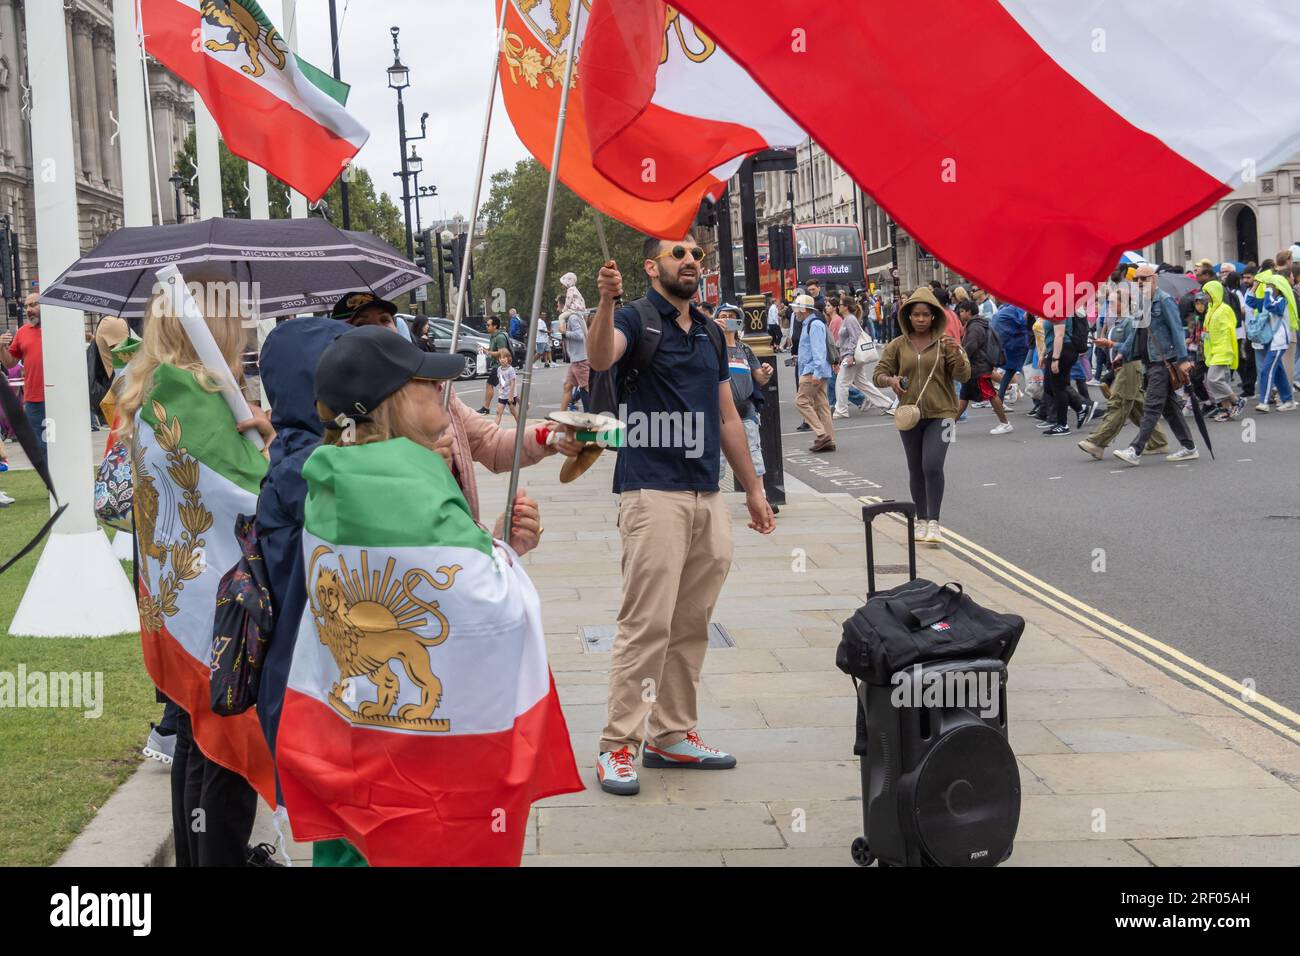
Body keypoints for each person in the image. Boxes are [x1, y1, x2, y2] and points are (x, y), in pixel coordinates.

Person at [586, 234, 775, 797]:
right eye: (678, 254)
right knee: (647, 625)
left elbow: (728, 417)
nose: (691, 261)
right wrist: (603, 301)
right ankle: (619, 745)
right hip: (651, 492)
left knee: (691, 625)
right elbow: (599, 359)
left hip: (706, 494)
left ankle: (672, 734)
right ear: (652, 267)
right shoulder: (635, 318)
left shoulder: (713, 332)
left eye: (696, 254)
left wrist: (754, 490)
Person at [117, 272, 276, 867]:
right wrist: (276, 448)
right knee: (223, 758)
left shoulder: (152, 389)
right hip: (217, 611)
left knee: (193, 742)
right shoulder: (194, 398)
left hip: (174, 603)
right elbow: (261, 496)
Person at [874, 287, 970, 545]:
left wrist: (958, 353)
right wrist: (890, 379)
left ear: (934, 317)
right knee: (915, 468)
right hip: (909, 415)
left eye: (925, 315)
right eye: (915, 315)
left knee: (932, 465)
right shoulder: (897, 345)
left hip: (944, 414)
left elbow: (963, 376)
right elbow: (878, 374)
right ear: (907, 317)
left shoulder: (945, 344)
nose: (920, 319)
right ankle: (921, 520)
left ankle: (935, 523)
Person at [1111, 264, 1200, 465]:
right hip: (1149, 362)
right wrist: (1122, 353)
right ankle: (1189, 447)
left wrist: (1183, 359)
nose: (1141, 282)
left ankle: (1135, 450)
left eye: (1145, 278)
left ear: (1154, 280)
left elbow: (1177, 330)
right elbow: (1136, 332)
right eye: (1138, 279)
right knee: (1169, 408)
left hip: (1163, 361)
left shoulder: (1165, 300)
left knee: (1152, 406)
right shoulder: (1142, 304)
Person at [1078, 312, 1170, 459]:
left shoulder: (1128, 321)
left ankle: (1097, 443)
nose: (1110, 306)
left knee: (1119, 403)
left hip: (1130, 365)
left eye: (1114, 302)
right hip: (1123, 364)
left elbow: (1133, 345)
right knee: (1136, 407)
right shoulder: (1117, 321)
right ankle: (1158, 441)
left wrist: (1113, 346)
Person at [717, 304, 773, 504]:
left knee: (753, 451)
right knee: (717, 456)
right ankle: (711, 500)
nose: (727, 319)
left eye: (731, 316)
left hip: (745, 406)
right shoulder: (711, 346)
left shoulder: (745, 349)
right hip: (719, 410)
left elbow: (760, 378)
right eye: (723, 316)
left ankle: (761, 497)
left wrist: (765, 372)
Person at [956, 299, 1013, 434]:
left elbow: (970, 347)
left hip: (978, 368)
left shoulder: (975, 327)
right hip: (976, 367)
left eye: (962, 311)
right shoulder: (977, 324)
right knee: (964, 397)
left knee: (991, 395)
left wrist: (959, 357)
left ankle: (1005, 423)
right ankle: (948, 425)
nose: (960, 314)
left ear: (969, 312)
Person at [0, 292, 46, 456]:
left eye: (33, 305)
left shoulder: (56, 329)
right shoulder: (22, 332)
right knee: (39, 448)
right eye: (26, 306)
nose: (28, 310)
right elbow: (10, 362)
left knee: (56, 444)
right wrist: (1, 348)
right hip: (33, 401)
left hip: (56, 397)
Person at [833, 297, 895, 418]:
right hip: (852, 356)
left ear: (846, 307)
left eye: (840, 304)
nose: (838, 306)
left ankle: (841, 410)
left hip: (851, 356)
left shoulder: (850, 319)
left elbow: (854, 337)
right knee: (862, 383)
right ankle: (887, 404)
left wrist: (850, 355)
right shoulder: (849, 319)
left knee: (841, 383)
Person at [1041, 306, 1096, 436]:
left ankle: (1063, 424)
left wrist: (1055, 359)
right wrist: (1044, 353)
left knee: (1058, 388)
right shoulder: (1053, 307)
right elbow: (1050, 335)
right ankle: (1081, 407)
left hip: (1064, 350)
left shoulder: (1060, 308)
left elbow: (1059, 335)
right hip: (1056, 350)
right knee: (1050, 386)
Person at [795, 293, 836, 451]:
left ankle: (822, 435)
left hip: (812, 370)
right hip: (816, 369)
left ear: (803, 309)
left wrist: (816, 374)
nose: (795, 312)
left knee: (801, 401)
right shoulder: (811, 323)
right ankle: (830, 439)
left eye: (797, 309)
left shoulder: (814, 324)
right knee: (822, 405)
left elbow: (818, 351)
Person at [1200, 280, 1245, 421]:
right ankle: (1226, 409)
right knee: (1211, 380)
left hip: (1222, 350)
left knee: (1213, 379)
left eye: (1207, 293)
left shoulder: (1224, 309)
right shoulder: (1211, 309)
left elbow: (1227, 331)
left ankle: (1237, 400)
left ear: (1214, 293)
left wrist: (1226, 350)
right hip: (1213, 350)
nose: (1205, 296)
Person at [476, 316, 511, 414]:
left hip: (499, 366)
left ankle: (486, 408)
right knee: (507, 388)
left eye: (488, 325)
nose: (486, 326)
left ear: (495, 326)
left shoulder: (499, 337)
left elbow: (502, 353)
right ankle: (523, 404)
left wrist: (487, 352)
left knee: (489, 384)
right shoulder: (493, 336)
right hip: (499, 366)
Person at [493, 348, 519, 425]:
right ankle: (494, 429)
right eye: (500, 358)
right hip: (502, 395)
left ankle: (520, 426)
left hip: (510, 395)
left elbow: (513, 383)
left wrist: (510, 396)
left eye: (504, 358)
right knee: (498, 412)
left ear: (508, 358)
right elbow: (501, 381)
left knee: (513, 411)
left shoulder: (511, 370)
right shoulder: (499, 369)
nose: (502, 360)